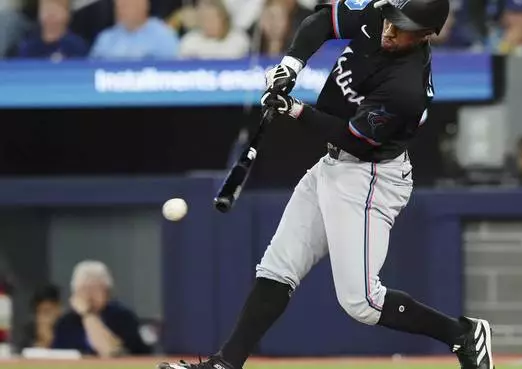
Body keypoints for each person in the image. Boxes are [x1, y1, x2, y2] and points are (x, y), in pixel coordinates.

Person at [158, 0, 494, 369]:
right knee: (277, 267)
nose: (390, 30)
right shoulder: (379, 13)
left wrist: (295, 109)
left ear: (429, 34)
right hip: (334, 165)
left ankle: (461, 334)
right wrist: (290, 65)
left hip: (370, 177)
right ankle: (226, 364)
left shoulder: (406, 87)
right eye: (392, 20)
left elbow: (354, 138)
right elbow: (320, 22)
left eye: (404, 27)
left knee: (362, 303)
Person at [53, 260, 151, 357]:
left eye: (95, 289)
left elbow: (111, 353)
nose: (89, 295)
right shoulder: (65, 322)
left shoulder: (124, 317)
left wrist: (87, 314)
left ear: (107, 293)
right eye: (83, 289)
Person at [89, 0, 179, 60]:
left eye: (126, 5)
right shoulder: (106, 38)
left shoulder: (163, 35)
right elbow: (89, 70)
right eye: (118, 5)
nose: (120, 9)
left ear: (144, 6)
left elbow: (171, 70)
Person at [15, 0, 89, 60]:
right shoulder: (29, 46)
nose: (50, 15)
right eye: (46, 10)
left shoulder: (76, 46)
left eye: (56, 11)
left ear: (67, 15)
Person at [179, 0, 250, 59]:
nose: (208, 24)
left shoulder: (238, 39)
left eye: (212, 18)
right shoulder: (189, 41)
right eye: (205, 19)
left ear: (223, 18)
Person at [17, 285, 62, 351]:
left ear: (58, 309)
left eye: (47, 311)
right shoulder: (28, 331)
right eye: (38, 312)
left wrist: (52, 342)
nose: (42, 318)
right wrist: (42, 343)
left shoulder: (68, 329)